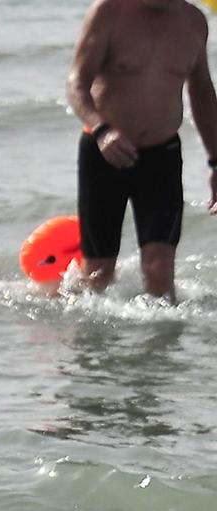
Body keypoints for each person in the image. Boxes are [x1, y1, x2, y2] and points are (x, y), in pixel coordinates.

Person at [65, 0, 217, 299]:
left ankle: (167, 344)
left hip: (162, 156)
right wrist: (101, 130)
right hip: (105, 154)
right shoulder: (107, 12)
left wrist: (216, 162)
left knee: (160, 270)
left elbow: (202, 93)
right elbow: (76, 83)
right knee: (98, 274)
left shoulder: (193, 21)